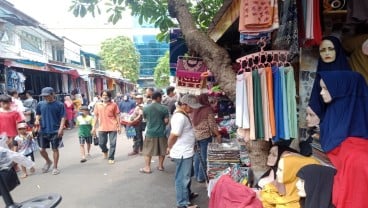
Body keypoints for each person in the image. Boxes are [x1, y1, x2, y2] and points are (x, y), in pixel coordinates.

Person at [317, 70, 368, 208]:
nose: (321, 93)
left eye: (326, 89)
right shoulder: (332, 114)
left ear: (342, 91)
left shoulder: (358, 152)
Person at [167, 94, 202, 208]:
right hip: (182, 152)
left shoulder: (183, 114)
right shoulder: (180, 117)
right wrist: (169, 146)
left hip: (185, 151)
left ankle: (187, 195)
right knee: (182, 178)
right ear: (184, 105)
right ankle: (183, 203)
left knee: (186, 176)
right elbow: (174, 135)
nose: (193, 109)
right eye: (191, 107)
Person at [308, 36, 352, 121]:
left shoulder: (347, 75)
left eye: (331, 49)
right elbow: (316, 99)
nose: (327, 53)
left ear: (337, 50)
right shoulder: (321, 71)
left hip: (343, 120)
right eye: (323, 50)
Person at [34, 87, 66, 175]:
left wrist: (61, 128)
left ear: (53, 94)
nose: (45, 97)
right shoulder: (40, 104)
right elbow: (38, 114)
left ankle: (55, 167)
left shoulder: (59, 105)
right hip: (43, 130)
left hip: (55, 130)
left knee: (55, 149)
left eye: (47, 96)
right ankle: (48, 161)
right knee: (41, 149)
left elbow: (63, 117)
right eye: (44, 96)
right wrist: (37, 120)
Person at [191, 93, 222, 183]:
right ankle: (201, 176)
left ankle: (197, 174)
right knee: (204, 157)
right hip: (205, 136)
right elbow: (212, 125)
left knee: (197, 156)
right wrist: (218, 134)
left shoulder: (194, 109)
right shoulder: (207, 109)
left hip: (196, 136)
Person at [140, 91, 169, 173]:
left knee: (147, 151)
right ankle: (160, 166)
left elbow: (145, 119)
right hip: (161, 132)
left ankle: (147, 167)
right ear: (158, 98)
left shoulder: (145, 108)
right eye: (161, 98)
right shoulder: (164, 108)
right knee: (162, 150)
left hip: (150, 132)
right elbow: (166, 121)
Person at [92, 90, 121, 164]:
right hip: (102, 127)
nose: (105, 97)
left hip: (112, 126)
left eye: (106, 95)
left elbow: (117, 116)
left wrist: (119, 126)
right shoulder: (97, 105)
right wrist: (93, 127)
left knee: (113, 143)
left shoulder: (114, 105)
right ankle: (105, 151)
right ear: (101, 96)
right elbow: (95, 116)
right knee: (101, 143)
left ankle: (111, 157)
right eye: (103, 95)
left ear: (109, 97)